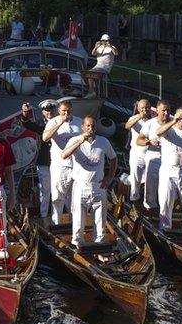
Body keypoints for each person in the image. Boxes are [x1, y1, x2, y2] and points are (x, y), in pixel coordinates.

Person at [61, 116, 118, 247]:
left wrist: (109, 177)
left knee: (100, 220)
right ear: (83, 127)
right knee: (78, 220)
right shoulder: (74, 140)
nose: (90, 128)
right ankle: (78, 244)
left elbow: (114, 158)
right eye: (88, 126)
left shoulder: (103, 141)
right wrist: (80, 141)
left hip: (99, 186)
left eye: (93, 126)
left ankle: (98, 245)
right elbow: (64, 155)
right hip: (81, 186)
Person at [155, 107, 182, 232]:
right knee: (166, 202)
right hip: (168, 170)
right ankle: (165, 229)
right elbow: (158, 132)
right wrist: (174, 121)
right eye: (181, 117)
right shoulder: (169, 131)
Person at [42, 100, 82, 225]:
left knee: (75, 199)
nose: (66, 113)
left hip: (76, 166)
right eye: (64, 111)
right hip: (60, 166)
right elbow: (45, 138)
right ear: (59, 111)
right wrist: (59, 123)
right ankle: (56, 225)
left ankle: (74, 226)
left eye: (69, 110)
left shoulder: (79, 122)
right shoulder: (52, 122)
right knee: (57, 198)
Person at [18, 100, 57, 220]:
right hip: (44, 160)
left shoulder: (61, 123)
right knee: (45, 190)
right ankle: (44, 215)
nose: (49, 112)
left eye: (51, 110)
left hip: (60, 161)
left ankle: (59, 217)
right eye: (46, 110)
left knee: (60, 191)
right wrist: (25, 113)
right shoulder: (40, 124)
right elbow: (27, 124)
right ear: (43, 112)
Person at [137, 100, 171, 214]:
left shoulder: (173, 124)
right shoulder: (150, 124)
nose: (166, 113)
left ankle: (167, 210)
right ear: (157, 111)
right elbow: (139, 140)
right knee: (151, 186)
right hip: (154, 157)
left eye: (168, 110)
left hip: (169, 159)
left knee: (168, 187)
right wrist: (149, 142)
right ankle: (150, 210)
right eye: (163, 111)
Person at [124, 99, 152, 205]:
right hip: (137, 152)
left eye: (147, 107)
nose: (145, 110)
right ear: (139, 109)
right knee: (136, 177)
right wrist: (139, 116)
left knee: (150, 178)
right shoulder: (134, 118)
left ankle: (148, 201)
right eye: (143, 108)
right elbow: (127, 126)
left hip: (150, 153)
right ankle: (134, 199)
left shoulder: (153, 120)